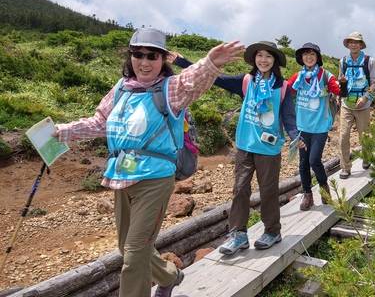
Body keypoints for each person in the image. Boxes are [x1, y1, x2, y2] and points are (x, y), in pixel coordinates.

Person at [53, 28, 243, 297]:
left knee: (133, 254)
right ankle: (169, 275)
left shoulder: (170, 90)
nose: (144, 61)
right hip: (120, 176)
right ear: (130, 56)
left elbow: (192, 81)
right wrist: (63, 131)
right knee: (128, 247)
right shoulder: (121, 89)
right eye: (138, 54)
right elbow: (99, 123)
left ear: (163, 59)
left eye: (152, 56)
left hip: (155, 179)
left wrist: (210, 63)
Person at [215, 41, 302, 255]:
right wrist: (184, 61)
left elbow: (289, 117)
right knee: (240, 189)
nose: (263, 60)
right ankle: (238, 235)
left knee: (268, 191)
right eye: (260, 56)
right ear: (254, 59)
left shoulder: (282, 88)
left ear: (275, 61)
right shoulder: (246, 81)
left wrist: (295, 136)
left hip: (269, 149)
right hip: (245, 146)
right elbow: (216, 78)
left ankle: (272, 231)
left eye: (268, 56)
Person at [287, 43, 342, 210]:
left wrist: (344, 85)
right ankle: (307, 194)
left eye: (312, 54)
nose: (308, 57)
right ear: (301, 58)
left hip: (320, 127)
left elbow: (340, 92)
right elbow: (286, 92)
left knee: (314, 160)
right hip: (302, 127)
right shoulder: (298, 77)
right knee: (303, 163)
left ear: (317, 57)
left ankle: (324, 189)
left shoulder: (326, 75)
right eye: (305, 54)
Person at [337, 32, 375, 178]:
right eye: (351, 42)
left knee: (364, 136)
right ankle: (345, 167)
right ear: (348, 44)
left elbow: (374, 82)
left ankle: (366, 158)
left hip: (364, 104)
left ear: (361, 45)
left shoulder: (370, 61)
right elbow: (341, 81)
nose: (353, 44)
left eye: (357, 42)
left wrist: (366, 97)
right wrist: (341, 86)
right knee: (343, 135)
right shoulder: (343, 61)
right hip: (346, 103)